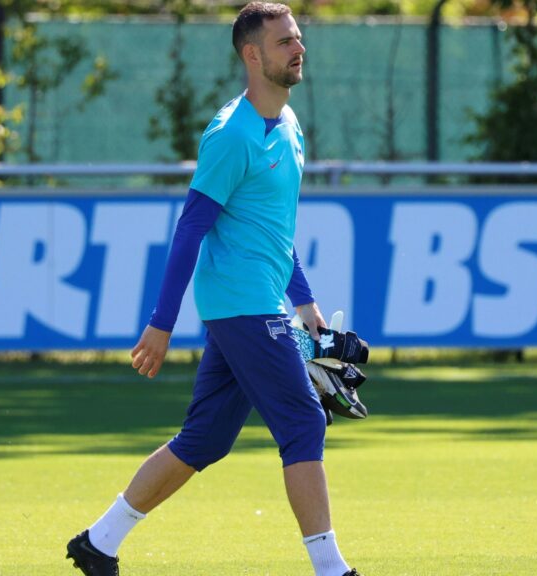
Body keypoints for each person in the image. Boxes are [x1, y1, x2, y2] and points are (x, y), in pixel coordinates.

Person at [66, 4, 361, 576]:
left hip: (258, 303)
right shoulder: (232, 135)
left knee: (204, 440)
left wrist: (306, 303)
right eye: (283, 42)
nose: (298, 49)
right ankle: (332, 570)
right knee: (303, 422)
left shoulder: (291, 125)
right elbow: (191, 227)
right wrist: (161, 321)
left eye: (298, 38)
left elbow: (273, 233)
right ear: (253, 55)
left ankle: (99, 543)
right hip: (243, 304)